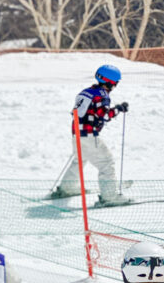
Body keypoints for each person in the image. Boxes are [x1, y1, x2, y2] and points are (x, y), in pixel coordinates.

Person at [50, 64, 130, 205]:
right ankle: (110, 197)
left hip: (77, 133)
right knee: (106, 163)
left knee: (80, 159)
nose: (115, 86)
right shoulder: (101, 96)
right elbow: (104, 116)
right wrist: (118, 109)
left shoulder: (86, 92)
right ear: (110, 82)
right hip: (89, 135)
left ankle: (67, 188)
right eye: (116, 83)